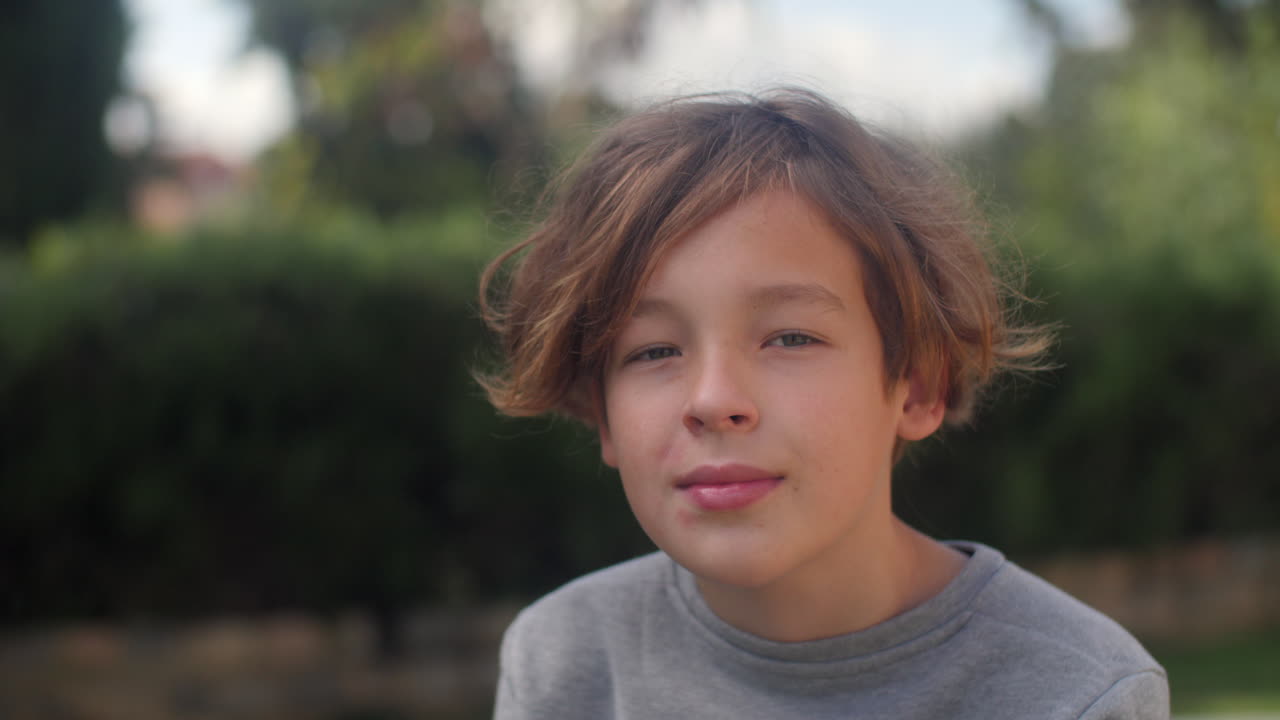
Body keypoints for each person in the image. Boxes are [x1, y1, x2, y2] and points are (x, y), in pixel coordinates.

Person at [477, 87, 1169, 719]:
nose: (713, 400)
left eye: (789, 338)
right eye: (654, 351)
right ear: (602, 414)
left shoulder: (1077, 694)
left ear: (918, 387)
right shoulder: (563, 664)